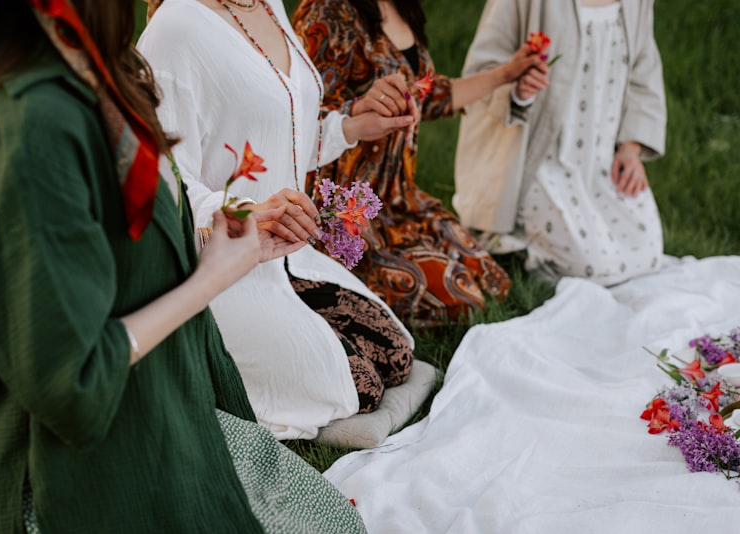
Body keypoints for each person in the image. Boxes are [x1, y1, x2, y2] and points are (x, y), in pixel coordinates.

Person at [0, 0, 366, 532]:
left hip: (156, 398)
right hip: (67, 476)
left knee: (334, 521)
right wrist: (210, 279)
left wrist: (232, 246)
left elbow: (144, 239)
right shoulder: (32, 126)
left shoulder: (105, 66)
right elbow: (69, 385)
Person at [138, 0, 421, 440]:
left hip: (288, 258)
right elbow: (158, 181)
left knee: (395, 354)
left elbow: (281, 135)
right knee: (358, 385)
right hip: (219, 271)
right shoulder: (176, 27)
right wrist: (242, 214)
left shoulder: (267, 4)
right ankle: (199, 366)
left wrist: (349, 126)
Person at [291, 0, 542, 326]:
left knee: (494, 283)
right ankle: (336, 289)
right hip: (351, 212)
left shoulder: (401, 6)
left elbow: (429, 95)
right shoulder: (327, 12)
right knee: (463, 301)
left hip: (402, 199)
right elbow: (299, 114)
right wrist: (359, 109)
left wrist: (507, 74)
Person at [453, 0, 666, 286]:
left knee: (648, 252)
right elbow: (483, 68)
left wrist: (631, 149)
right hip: (538, 160)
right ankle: (515, 241)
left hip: (601, 159)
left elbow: (644, 71)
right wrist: (518, 92)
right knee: (592, 268)